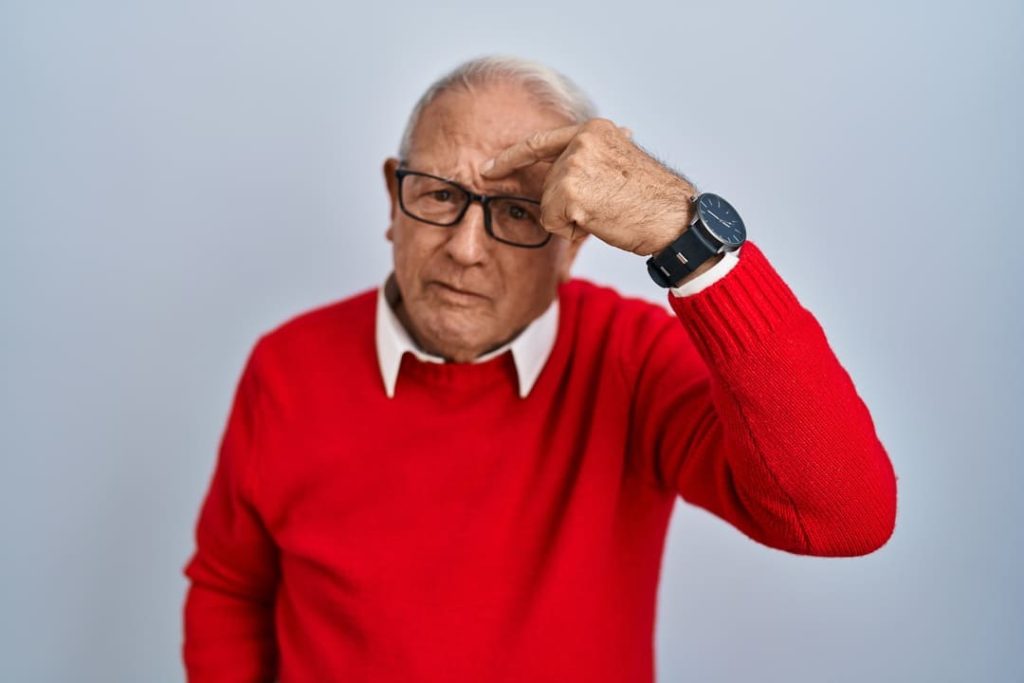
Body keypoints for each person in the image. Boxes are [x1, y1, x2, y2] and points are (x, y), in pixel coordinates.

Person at [182, 55, 898, 682]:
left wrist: (685, 234)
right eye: (438, 196)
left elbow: (846, 515)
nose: (465, 249)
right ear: (393, 198)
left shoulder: (629, 358)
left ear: (574, 243)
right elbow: (229, 584)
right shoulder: (286, 366)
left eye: (518, 213)